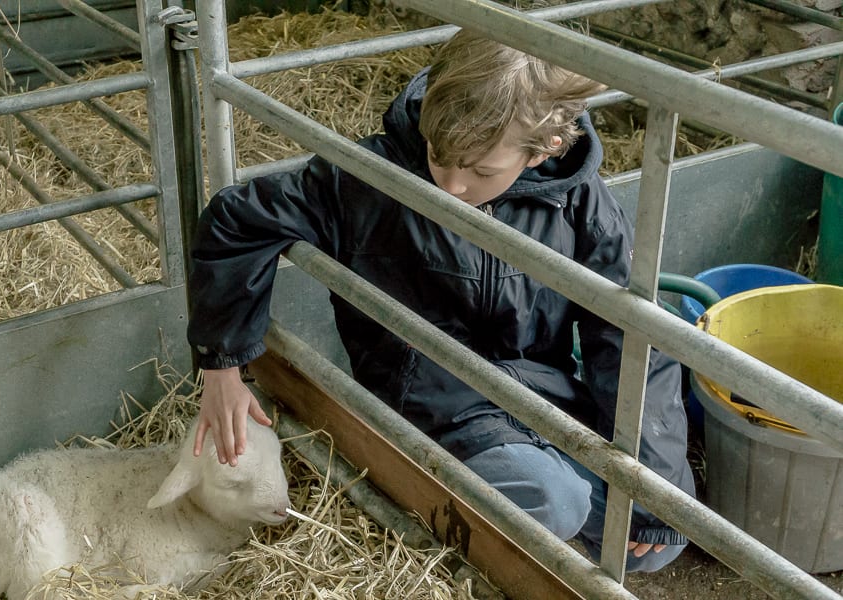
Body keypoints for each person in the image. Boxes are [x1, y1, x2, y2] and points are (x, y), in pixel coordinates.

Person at [186, 28, 695, 572]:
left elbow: (627, 330)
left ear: (544, 148)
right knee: (554, 498)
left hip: (538, 393)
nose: (447, 184)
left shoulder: (576, 196)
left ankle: (526, 504)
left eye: (480, 172)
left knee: (661, 541)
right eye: (437, 153)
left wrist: (657, 490)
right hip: (430, 404)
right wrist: (224, 366)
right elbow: (236, 218)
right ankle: (467, 507)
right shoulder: (368, 175)